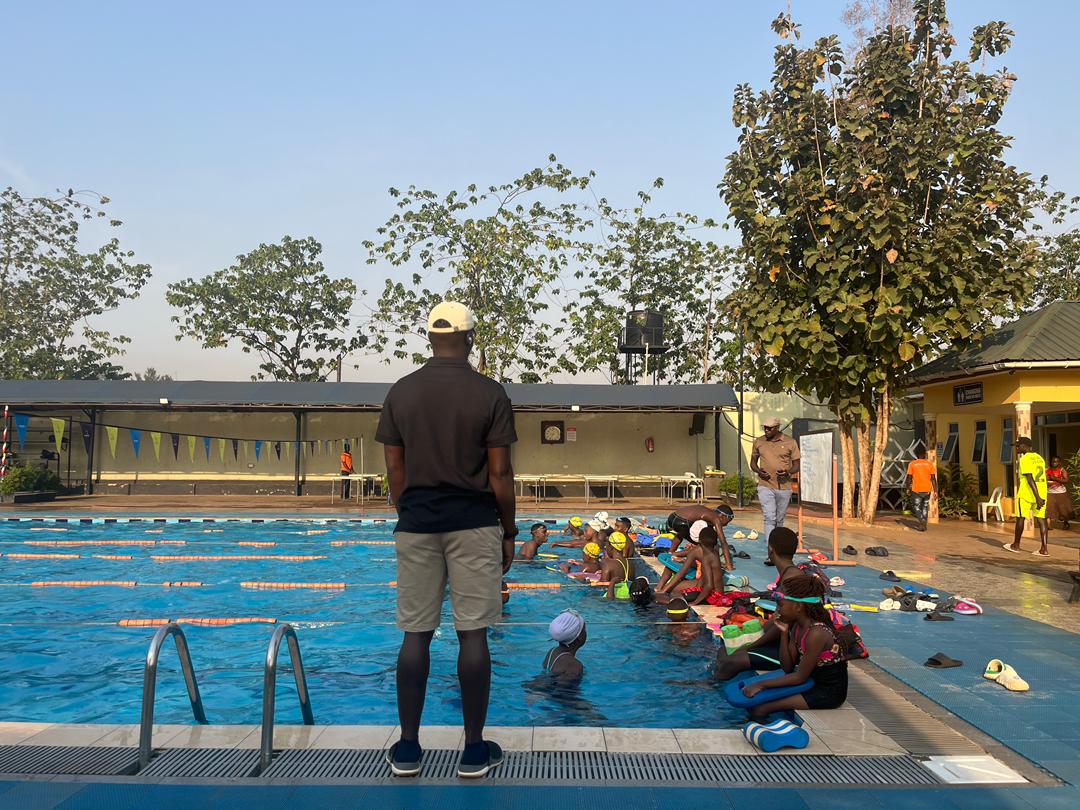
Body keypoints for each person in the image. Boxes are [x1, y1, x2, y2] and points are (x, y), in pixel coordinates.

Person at [376, 301, 517, 779]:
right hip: (474, 523)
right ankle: (474, 751)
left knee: (415, 635)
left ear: (430, 338)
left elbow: (395, 469)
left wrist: (410, 511)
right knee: (472, 634)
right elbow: (500, 474)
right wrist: (509, 530)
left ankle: (408, 749)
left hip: (417, 523)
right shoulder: (490, 393)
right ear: (470, 338)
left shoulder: (401, 392)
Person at [741, 575, 848, 719]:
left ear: (798, 606)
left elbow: (799, 677)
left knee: (761, 708)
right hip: (810, 681)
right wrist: (784, 634)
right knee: (755, 703)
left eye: (781, 605)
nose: (777, 611)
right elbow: (787, 667)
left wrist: (761, 684)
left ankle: (760, 731)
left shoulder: (816, 633)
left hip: (827, 692)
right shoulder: (797, 627)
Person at [715, 527, 802, 680]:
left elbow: (781, 625)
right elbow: (777, 619)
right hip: (783, 641)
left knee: (731, 660)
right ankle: (715, 683)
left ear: (770, 549)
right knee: (724, 651)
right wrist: (752, 636)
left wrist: (752, 645)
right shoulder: (789, 574)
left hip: (791, 651)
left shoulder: (791, 580)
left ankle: (713, 689)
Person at [750, 417, 800, 542]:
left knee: (779, 519)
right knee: (769, 517)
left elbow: (796, 466)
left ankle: (777, 545)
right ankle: (770, 547)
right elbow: (753, 463)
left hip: (784, 487)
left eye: (769, 428)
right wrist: (759, 472)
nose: (766, 430)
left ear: (777, 428)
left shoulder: (790, 442)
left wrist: (787, 473)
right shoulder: (759, 442)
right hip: (765, 485)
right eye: (765, 428)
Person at [1004, 437, 1050, 557]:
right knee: (1041, 519)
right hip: (1042, 492)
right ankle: (1044, 549)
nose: (1016, 448)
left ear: (1025, 446)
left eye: (1018, 446)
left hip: (1027, 494)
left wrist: (1037, 497)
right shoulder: (1039, 458)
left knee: (1020, 518)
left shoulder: (1024, 459)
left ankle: (1015, 545)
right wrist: (1039, 497)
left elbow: (1030, 479)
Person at [664, 504, 735, 568]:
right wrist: (728, 564)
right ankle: (679, 556)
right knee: (706, 545)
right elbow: (723, 542)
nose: (726, 525)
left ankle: (671, 552)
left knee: (682, 533)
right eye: (727, 522)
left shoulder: (708, 512)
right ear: (722, 516)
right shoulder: (715, 518)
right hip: (682, 522)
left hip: (672, 518)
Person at [674, 528, 726, 608]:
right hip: (719, 594)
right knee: (679, 593)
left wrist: (695, 602)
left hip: (713, 596)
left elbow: (709, 585)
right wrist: (696, 589)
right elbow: (705, 577)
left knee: (675, 595)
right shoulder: (714, 552)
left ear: (699, 541)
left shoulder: (706, 558)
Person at [542, 609, 587, 682]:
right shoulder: (574, 665)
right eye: (584, 629)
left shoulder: (552, 651)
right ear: (579, 637)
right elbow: (563, 688)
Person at [904, 445, 937, 532]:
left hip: (916, 490)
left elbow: (909, 478)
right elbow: (933, 478)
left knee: (917, 507)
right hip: (927, 489)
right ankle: (923, 524)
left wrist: (907, 488)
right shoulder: (929, 464)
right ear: (924, 455)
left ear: (916, 454)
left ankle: (922, 520)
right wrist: (935, 491)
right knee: (925, 506)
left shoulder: (912, 464)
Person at [1047, 456, 1074, 530]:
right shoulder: (1047, 470)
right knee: (1049, 508)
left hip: (1061, 492)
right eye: (1053, 461)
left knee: (1063, 509)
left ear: (1059, 462)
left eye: (1056, 461)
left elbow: (1066, 480)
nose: (1054, 463)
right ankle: (1048, 524)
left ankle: (1066, 522)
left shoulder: (1062, 470)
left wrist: (1055, 478)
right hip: (1050, 492)